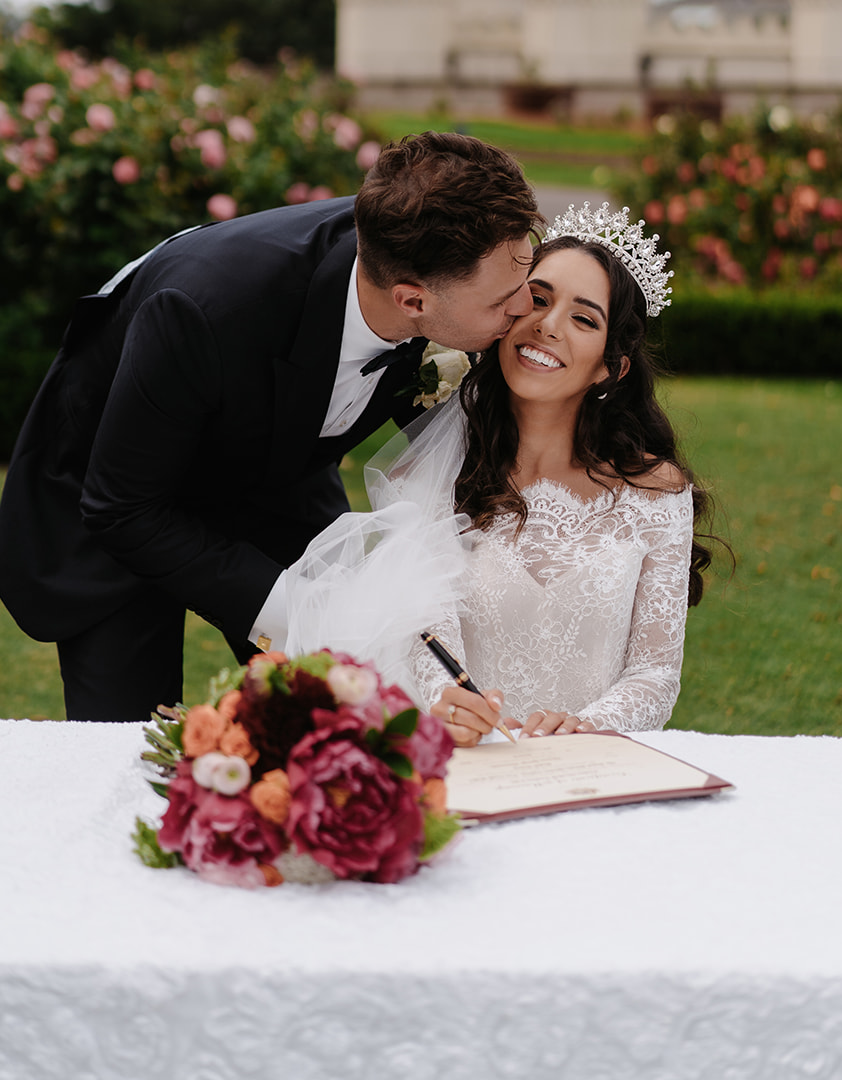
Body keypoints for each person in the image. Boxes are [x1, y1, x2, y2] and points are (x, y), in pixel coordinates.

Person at [0, 132, 541, 721]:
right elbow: (120, 508)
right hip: (120, 502)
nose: (525, 309)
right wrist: (296, 610)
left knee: (343, 716)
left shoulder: (435, 253)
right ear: (411, 302)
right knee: (130, 742)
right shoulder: (203, 308)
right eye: (503, 301)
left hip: (278, 471)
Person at [282, 203, 723, 744]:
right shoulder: (434, 473)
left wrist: (587, 727)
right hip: (472, 758)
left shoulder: (656, 494)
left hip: (594, 763)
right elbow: (426, 634)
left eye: (584, 319)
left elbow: (655, 674)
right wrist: (451, 703)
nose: (548, 325)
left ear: (612, 367)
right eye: (538, 299)